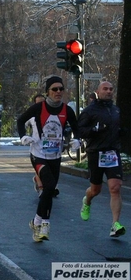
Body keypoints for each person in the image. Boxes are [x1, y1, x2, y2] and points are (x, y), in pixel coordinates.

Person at [17, 75, 79, 242]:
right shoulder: (39, 108)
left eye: (61, 89)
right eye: (55, 89)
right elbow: (20, 120)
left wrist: (77, 139)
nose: (58, 92)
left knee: (49, 190)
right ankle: (44, 223)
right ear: (47, 92)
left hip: (55, 155)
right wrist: (23, 137)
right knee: (49, 185)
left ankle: (36, 222)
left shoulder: (67, 110)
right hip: (38, 154)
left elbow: (76, 127)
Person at [78, 81, 126, 238]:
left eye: (111, 89)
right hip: (96, 153)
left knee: (115, 187)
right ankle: (87, 200)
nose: (109, 91)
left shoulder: (115, 109)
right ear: (98, 91)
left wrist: (121, 132)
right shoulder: (90, 111)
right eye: (105, 89)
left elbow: (117, 128)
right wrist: (94, 130)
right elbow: (80, 130)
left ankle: (115, 224)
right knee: (95, 190)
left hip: (112, 153)